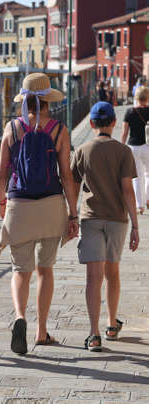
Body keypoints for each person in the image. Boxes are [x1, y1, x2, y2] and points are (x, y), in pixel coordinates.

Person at [0, 73, 79, 355]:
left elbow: (0, 174)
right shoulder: (59, 130)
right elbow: (66, 175)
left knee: (21, 271)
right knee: (45, 270)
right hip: (51, 204)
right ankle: (41, 331)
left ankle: (20, 317)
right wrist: (73, 213)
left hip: (19, 205)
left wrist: (2, 203)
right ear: (48, 102)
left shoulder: (12, 128)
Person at [71, 101, 139, 352]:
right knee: (113, 273)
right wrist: (136, 226)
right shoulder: (123, 152)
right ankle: (111, 324)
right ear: (113, 123)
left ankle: (94, 334)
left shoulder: (82, 150)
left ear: (91, 124)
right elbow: (128, 191)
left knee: (93, 277)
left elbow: (73, 185)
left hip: (90, 217)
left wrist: (70, 216)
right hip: (117, 219)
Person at [121, 86, 149, 214]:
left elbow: (125, 132)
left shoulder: (130, 112)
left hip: (133, 147)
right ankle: (148, 199)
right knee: (148, 174)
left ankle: (140, 206)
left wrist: (121, 146)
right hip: (147, 146)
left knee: (137, 177)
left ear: (136, 97)